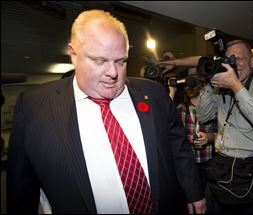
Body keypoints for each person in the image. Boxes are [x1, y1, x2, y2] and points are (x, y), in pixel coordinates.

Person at [7, 9, 206, 214]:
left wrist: (193, 190)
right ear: (73, 54)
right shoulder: (34, 106)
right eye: (100, 60)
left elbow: (178, 145)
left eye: (121, 61)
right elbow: (22, 186)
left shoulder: (153, 92)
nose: (113, 73)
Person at [196, 40, 253, 214]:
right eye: (230, 59)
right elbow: (203, 116)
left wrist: (236, 87)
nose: (234, 63)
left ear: (252, 62)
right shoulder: (221, 88)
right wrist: (210, 81)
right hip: (224, 170)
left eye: (239, 58)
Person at [176, 79, 217, 209]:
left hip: (210, 158)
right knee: (194, 197)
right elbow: (176, 136)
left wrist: (209, 138)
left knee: (211, 197)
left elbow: (220, 131)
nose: (189, 88)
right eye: (187, 85)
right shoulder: (180, 108)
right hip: (191, 161)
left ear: (201, 86)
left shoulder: (212, 107)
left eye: (192, 84)